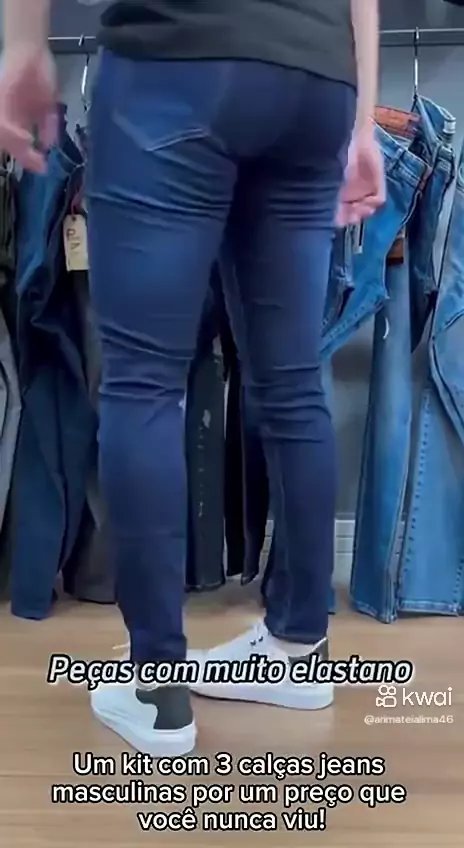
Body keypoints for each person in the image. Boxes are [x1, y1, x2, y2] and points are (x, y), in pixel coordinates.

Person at [0, 0, 385, 756]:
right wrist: (363, 118)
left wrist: (22, 45)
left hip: (176, 58)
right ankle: (299, 646)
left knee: (144, 382)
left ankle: (157, 691)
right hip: (315, 76)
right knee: (292, 379)